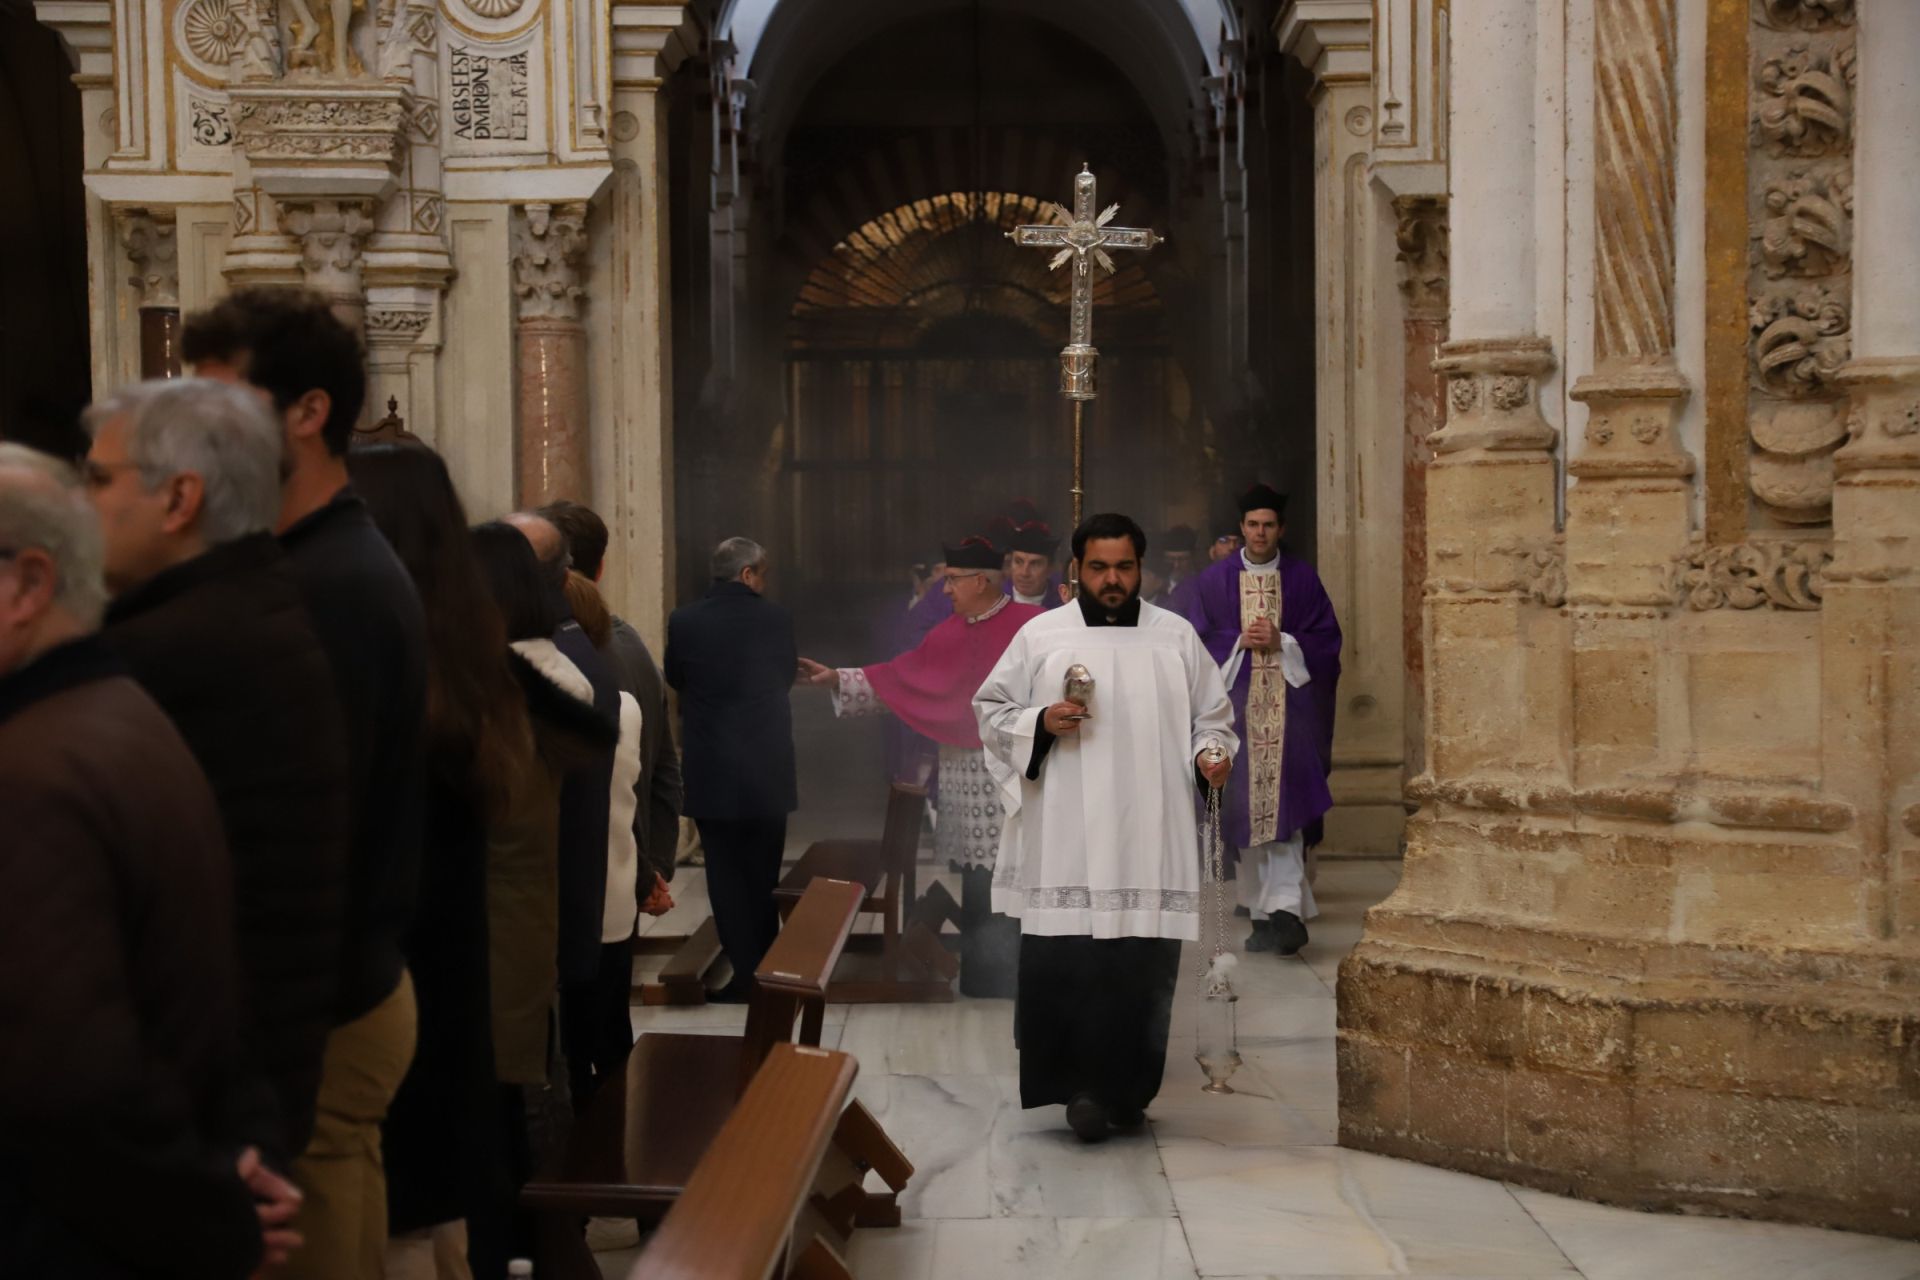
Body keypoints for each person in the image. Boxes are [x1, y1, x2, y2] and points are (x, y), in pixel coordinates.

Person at [0, 444, 295, 1277]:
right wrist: (236, 1154)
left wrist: (210, 1208)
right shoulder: (112, 709)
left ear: (27, 586)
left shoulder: (30, 770)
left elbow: (67, 1079)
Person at [184, 285, 430, 1280]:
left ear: (308, 411)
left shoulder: (329, 583)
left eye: (221, 401)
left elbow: (307, 828)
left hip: (320, 1005)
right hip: (342, 989)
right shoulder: (319, 562)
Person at [85, 379, 352, 1173]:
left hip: (190, 1112)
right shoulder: (253, 604)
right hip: (241, 1085)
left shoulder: (169, 652)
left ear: (179, 499)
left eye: (99, 479)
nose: (81, 501)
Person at [974, 513, 1236, 1142]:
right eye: (1099, 567)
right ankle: (1077, 1092)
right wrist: (1041, 721)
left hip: (1150, 830)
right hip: (1066, 831)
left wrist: (1211, 755)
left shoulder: (1174, 637)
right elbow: (991, 711)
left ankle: (1128, 1092)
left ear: (1140, 568)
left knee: (1139, 967)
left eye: (1123, 567)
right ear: (1078, 569)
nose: (1112, 579)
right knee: (1068, 962)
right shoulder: (1043, 636)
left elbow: (1214, 717)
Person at [349, 445, 528, 1278]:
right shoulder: (467, 651)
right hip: (447, 986)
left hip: (391, 981)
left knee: (399, 1230)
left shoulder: (380, 651)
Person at [797, 535, 1042, 996]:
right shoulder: (946, 632)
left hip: (1021, 772)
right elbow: (900, 676)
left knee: (1022, 873)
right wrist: (838, 678)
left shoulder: (1034, 626)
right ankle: (987, 975)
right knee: (978, 875)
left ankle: (1021, 973)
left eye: (952, 581)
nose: (944, 590)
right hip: (965, 776)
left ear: (982, 581)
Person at [468, 522, 618, 1274]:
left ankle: (552, 1242)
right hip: (526, 933)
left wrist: (577, 944)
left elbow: (563, 836)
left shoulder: (531, 688)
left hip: (525, 933)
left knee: (532, 1096)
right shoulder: (515, 681)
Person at [502, 511, 632, 1105]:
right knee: (596, 1044)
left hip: (561, 910)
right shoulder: (593, 666)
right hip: (591, 903)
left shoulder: (562, 678)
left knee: (578, 1057)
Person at [1182, 483, 1342, 956]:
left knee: (1286, 812)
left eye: (1268, 525)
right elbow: (1194, 644)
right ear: (1241, 528)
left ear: (1281, 529)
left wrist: (1283, 640)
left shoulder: (1302, 579)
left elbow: (1328, 641)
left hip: (1290, 719)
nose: (1259, 532)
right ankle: (1261, 915)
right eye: (1252, 524)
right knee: (1243, 817)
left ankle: (1287, 909)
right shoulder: (1213, 581)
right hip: (1236, 718)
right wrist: (1236, 644)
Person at [666, 536, 799, 1000]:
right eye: (762, 573)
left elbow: (675, 679)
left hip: (713, 766)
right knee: (763, 872)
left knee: (724, 876)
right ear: (747, 574)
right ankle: (766, 969)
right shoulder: (776, 619)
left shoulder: (683, 621)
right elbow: (784, 678)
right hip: (767, 766)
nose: (764, 582)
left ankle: (746, 974)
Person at [538, 499, 684, 891]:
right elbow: (666, 773)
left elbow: (615, 780)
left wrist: (643, 876)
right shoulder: (632, 643)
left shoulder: (562, 656)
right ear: (601, 568)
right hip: (623, 875)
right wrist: (655, 868)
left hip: (581, 880)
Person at [1004, 520, 1066, 609]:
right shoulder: (995, 601)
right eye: (1018, 562)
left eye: (1035, 564)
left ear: (1050, 569)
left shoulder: (1063, 605)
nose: (1024, 573)